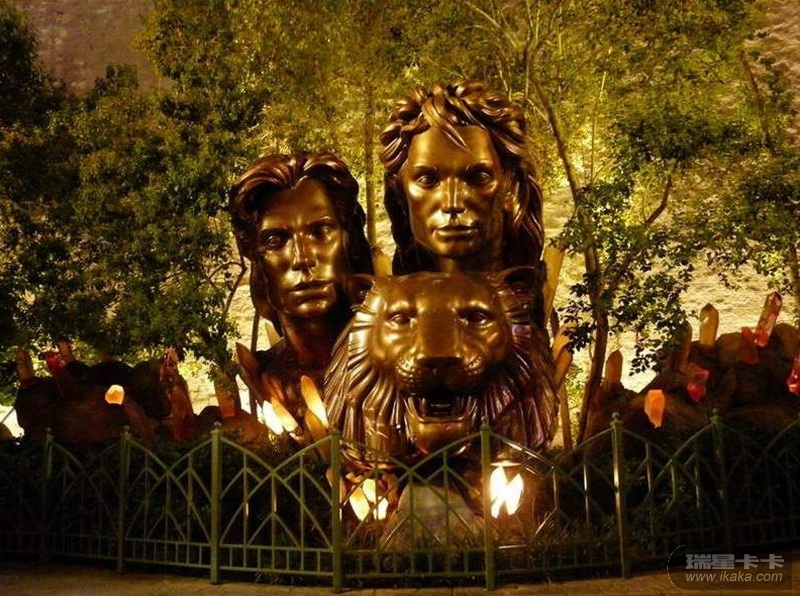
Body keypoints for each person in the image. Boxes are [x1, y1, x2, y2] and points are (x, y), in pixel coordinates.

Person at [229, 152, 373, 416]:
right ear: (257, 259)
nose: (302, 258)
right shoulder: (267, 378)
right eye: (276, 240)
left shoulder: (395, 361)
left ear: (349, 238)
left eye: (320, 231)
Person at [380, 80, 545, 280]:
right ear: (400, 192)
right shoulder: (380, 297)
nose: (452, 204)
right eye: (428, 180)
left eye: (478, 178)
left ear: (511, 185)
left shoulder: (530, 295)